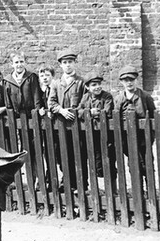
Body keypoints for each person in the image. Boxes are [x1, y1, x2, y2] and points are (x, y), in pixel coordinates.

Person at [48, 50, 88, 192]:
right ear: (60, 65)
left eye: (70, 62)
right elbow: (51, 102)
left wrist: (76, 111)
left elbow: (85, 102)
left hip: (78, 125)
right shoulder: (56, 83)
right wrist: (62, 110)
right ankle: (68, 183)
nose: (68, 65)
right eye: (64, 63)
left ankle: (82, 184)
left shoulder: (81, 82)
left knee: (81, 155)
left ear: (74, 63)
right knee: (65, 154)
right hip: (62, 126)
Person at [113, 65, 156, 181]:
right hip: (127, 137)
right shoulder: (118, 99)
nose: (129, 83)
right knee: (133, 162)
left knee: (147, 162)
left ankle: (149, 189)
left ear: (136, 80)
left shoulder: (145, 96)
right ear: (121, 82)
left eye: (131, 80)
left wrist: (150, 136)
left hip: (143, 136)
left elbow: (153, 116)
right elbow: (115, 117)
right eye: (125, 80)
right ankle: (138, 189)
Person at [78, 74, 115, 183]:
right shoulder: (85, 97)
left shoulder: (107, 96)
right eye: (94, 85)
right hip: (90, 134)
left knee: (108, 161)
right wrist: (89, 112)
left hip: (105, 134)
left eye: (99, 84)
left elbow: (106, 112)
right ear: (87, 87)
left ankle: (112, 189)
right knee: (94, 160)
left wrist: (90, 113)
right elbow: (78, 110)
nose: (98, 87)